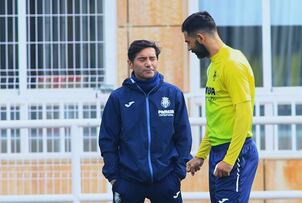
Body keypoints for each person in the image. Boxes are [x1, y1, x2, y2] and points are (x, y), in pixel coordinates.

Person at [99, 40, 192, 203]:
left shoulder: (173, 94)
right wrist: (114, 177)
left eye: (152, 58)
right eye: (142, 59)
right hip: (128, 181)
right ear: (130, 63)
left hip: (167, 179)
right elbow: (108, 139)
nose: (149, 64)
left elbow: (183, 136)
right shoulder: (118, 98)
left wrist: (178, 173)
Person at [182, 11, 259, 203]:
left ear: (200, 38)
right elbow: (217, 116)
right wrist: (201, 155)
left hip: (235, 152)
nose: (189, 48)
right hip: (218, 151)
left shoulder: (232, 64)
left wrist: (230, 159)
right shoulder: (213, 66)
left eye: (188, 42)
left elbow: (244, 113)